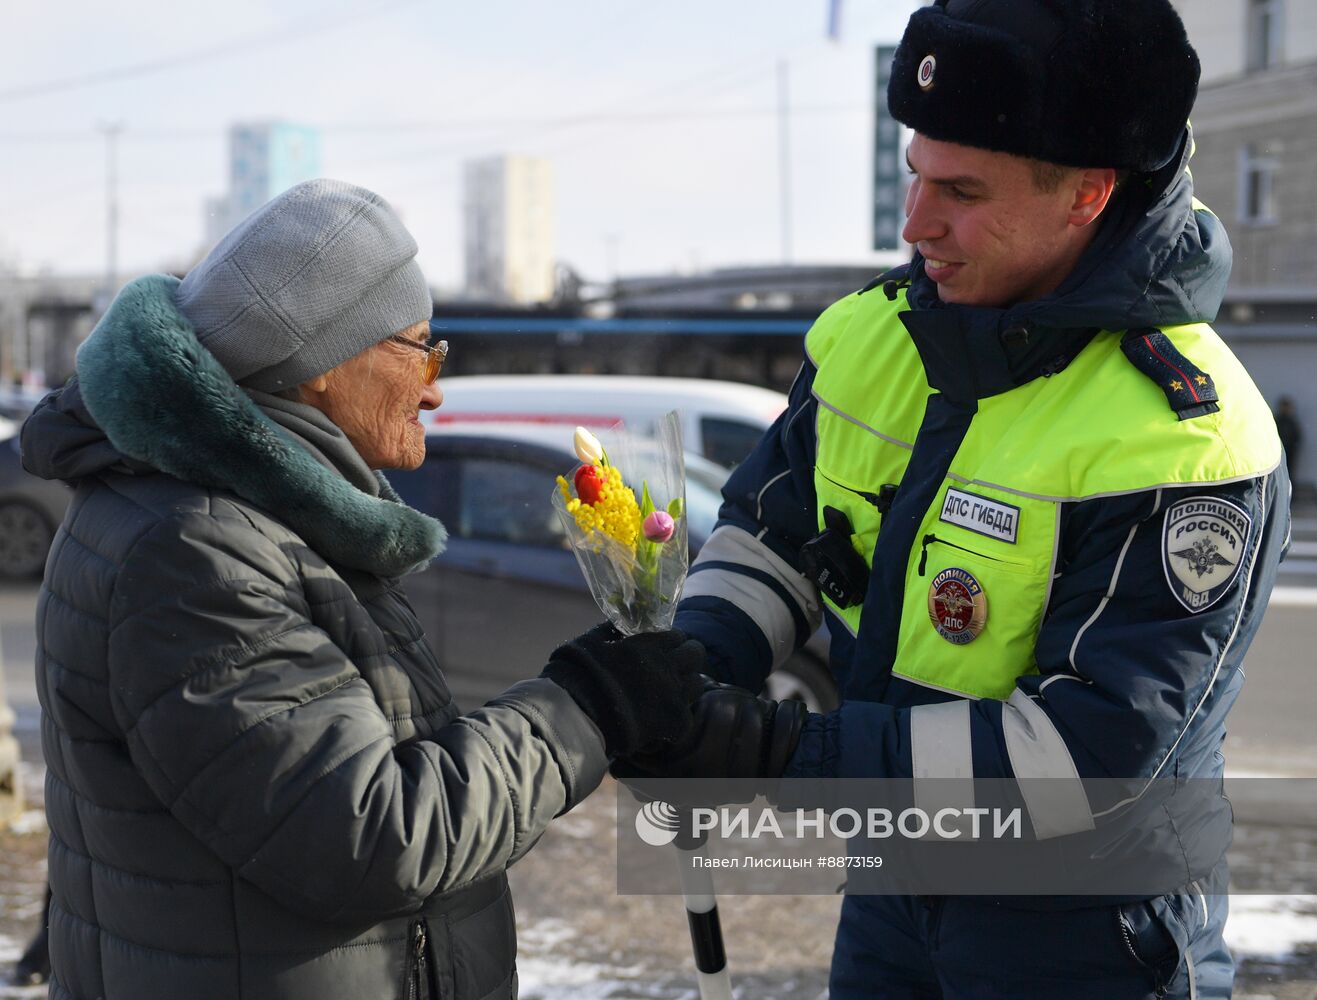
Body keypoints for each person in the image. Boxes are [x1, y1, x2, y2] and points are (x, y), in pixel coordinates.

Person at [614, 1, 1291, 997]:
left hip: (1086, 935)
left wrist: (771, 749)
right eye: (914, 173)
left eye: (963, 191)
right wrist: (694, 664)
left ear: (1088, 196)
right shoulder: (877, 338)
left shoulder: (1184, 437)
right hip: (897, 898)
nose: (916, 222)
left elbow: (1079, 762)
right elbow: (775, 529)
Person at [19, 179, 705, 1000]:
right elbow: (372, 836)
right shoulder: (197, 549)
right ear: (316, 364)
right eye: (420, 347)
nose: (435, 386)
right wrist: (586, 708)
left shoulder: (251, 516)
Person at [1275, 395, 1302, 489]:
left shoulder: (1291, 422)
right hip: (1279, 452)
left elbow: (1297, 436)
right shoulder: (1278, 420)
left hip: (1289, 451)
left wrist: (1293, 447)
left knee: (1289, 471)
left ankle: (1289, 491)